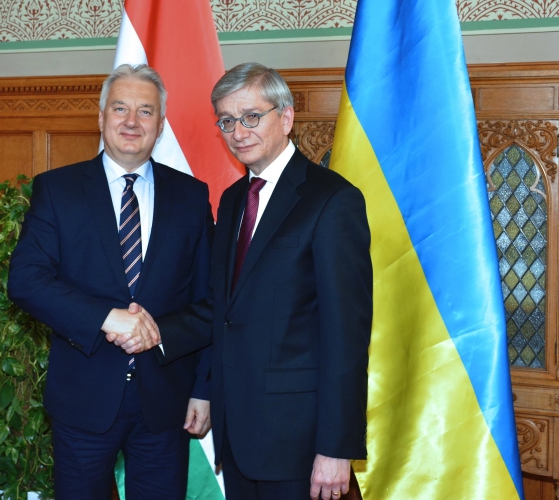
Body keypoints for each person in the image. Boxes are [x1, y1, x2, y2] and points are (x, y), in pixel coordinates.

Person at [114, 62, 373, 500]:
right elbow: (223, 308)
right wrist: (153, 331)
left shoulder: (332, 200)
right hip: (238, 434)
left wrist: (335, 448)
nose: (238, 132)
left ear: (286, 117)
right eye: (227, 121)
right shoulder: (234, 200)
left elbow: (346, 336)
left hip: (299, 441)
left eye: (252, 117)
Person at [7, 63, 213, 499]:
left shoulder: (192, 196)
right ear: (101, 118)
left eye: (145, 111)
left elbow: (210, 301)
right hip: (83, 400)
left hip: (166, 403)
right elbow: (26, 280)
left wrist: (203, 389)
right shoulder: (57, 190)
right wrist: (107, 317)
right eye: (120, 108)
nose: (132, 121)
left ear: (160, 124)